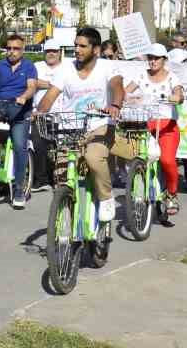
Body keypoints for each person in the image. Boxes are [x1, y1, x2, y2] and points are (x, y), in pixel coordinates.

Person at [36, 26, 125, 227]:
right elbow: (50, 96)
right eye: (76, 45)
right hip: (71, 129)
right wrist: (38, 112)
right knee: (61, 175)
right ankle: (65, 212)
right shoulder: (66, 69)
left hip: (100, 126)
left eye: (82, 46)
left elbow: (117, 87)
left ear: (95, 50)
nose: (77, 50)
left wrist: (115, 105)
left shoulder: (107, 67)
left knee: (94, 158)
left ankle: (105, 197)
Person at [125, 42, 184, 216]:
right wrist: (125, 97)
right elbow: (125, 91)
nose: (152, 61)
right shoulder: (141, 76)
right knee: (137, 159)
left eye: (156, 58)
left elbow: (179, 94)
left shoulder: (172, 77)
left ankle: (172, 194)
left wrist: (174, 97)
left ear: (164, 60)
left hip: (167, 126)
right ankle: (139, 190)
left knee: (167, 160)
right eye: (150, 58)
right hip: (144, 124)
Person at [0, 31, 38, 209]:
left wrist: (24, 97)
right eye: (8, 48)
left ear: (23, 49)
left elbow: (32, 86)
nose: (12, 51)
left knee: (19, 146)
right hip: (0, 108)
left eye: (16, 48)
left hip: (20, 111)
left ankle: (18, 189)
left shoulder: (29, 66)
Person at [29, 40, 76, 192]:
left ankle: (62, 180)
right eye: (48, 51)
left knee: (63, 148)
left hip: (63, 115)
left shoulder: (68, 67)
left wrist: (48, 84)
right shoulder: (37, 66)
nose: (51, 53)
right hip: (40, 114)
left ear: (59, 52)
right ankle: (41, 180)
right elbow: (32, 82)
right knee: (38, 144)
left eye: (54, 51)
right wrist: (54, 85)